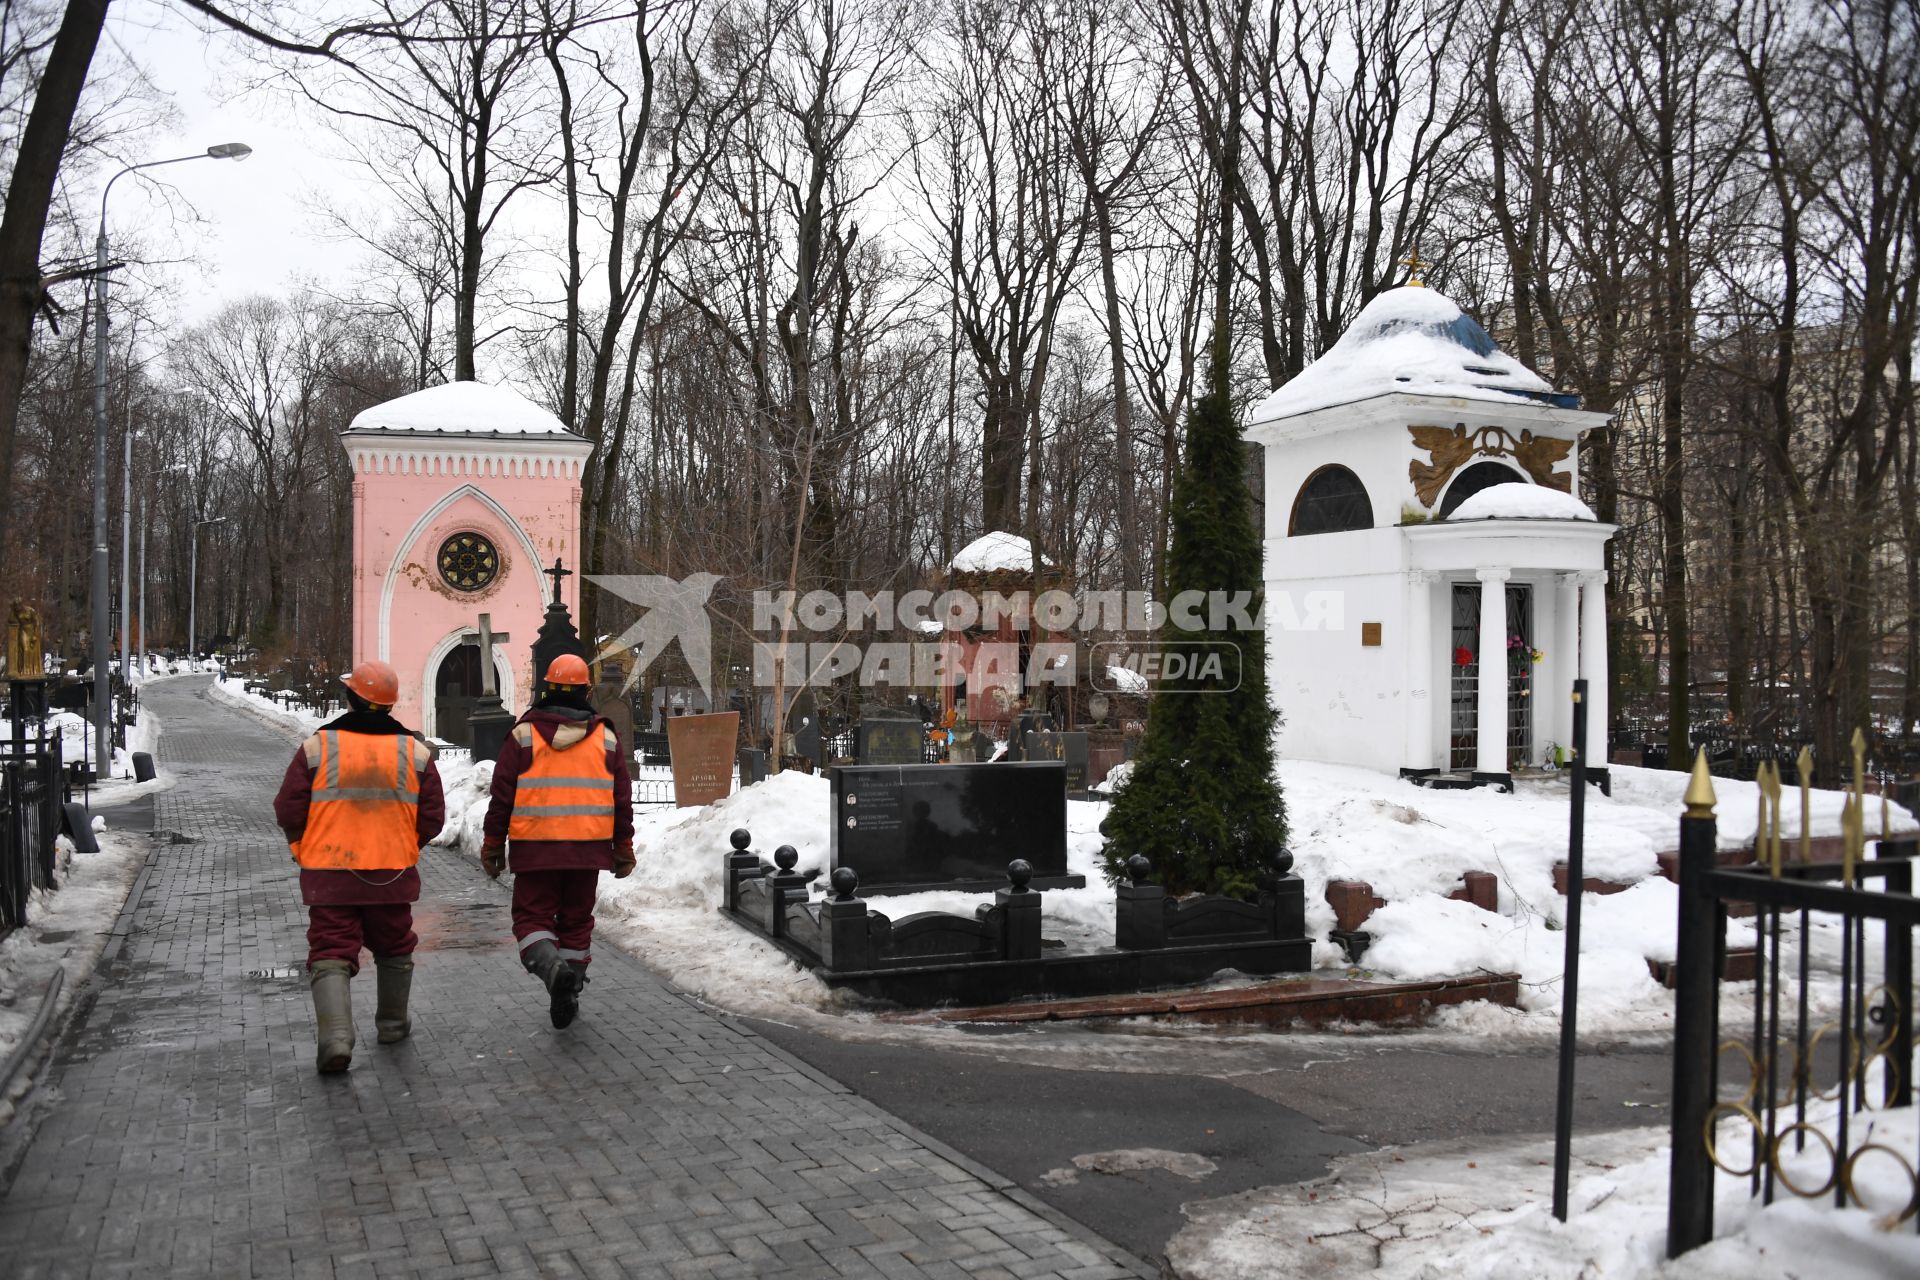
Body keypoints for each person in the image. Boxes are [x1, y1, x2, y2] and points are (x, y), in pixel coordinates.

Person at [273, 660, 444, 1075]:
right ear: (387, 705)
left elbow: (288, 806)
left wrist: (301, 845)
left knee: (331, 948)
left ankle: (335, 1038)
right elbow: (433, 816)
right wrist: (406, 843)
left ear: (351, 698)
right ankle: (392, 1024)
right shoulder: (416, 752)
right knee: (394, 945)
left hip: (329, 871)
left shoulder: (319, 746)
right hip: (392, 874)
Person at [482, 653, 635, 1027]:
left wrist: (492, 845)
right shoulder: (606, 739)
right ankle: (571, 983)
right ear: (586, 690)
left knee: (532, 918)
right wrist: (622, 847)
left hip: (536, 849)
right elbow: (621, 799)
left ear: (546, 688)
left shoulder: (523, 736)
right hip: (588, 850)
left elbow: (502, 797)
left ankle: (553, 972)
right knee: (576, 921)